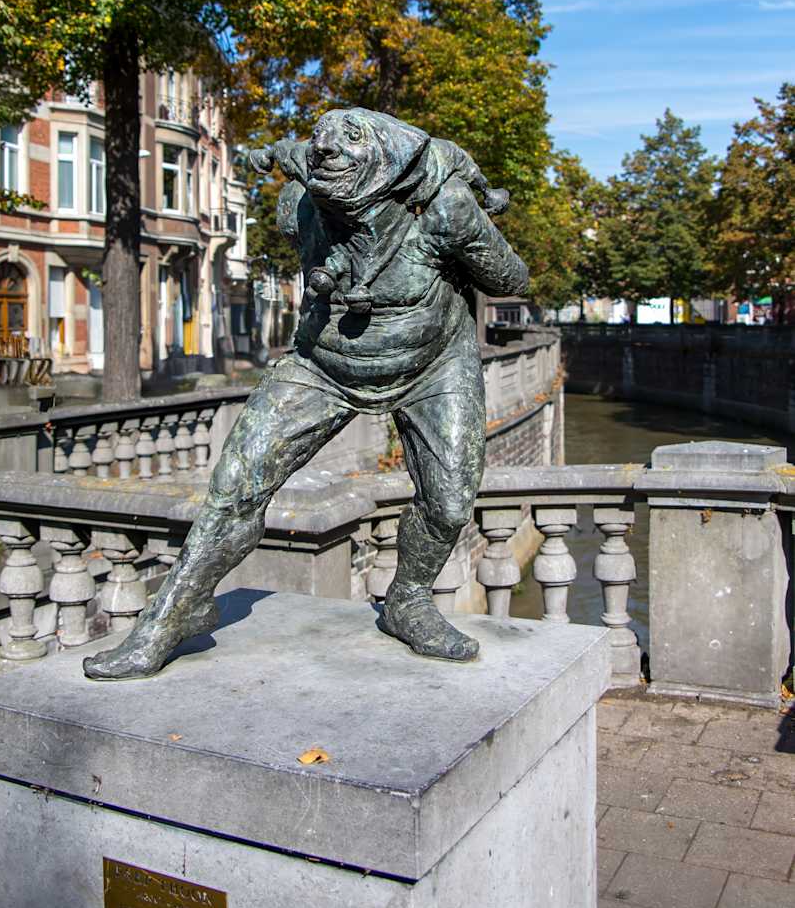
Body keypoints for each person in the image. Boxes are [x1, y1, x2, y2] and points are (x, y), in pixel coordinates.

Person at [84, 108, 528, 680]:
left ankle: (408, 601)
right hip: (323, 362)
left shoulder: (443, 211)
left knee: (448, 500)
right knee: (237, 484)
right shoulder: (297, 207)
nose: (326, 160)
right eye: (320, 153)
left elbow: (512, 280)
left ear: (388, 167)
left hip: (434, 365)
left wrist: (470, 232)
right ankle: (170, 616)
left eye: (346, 151)